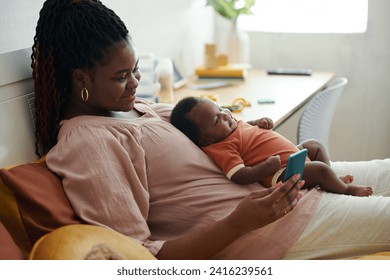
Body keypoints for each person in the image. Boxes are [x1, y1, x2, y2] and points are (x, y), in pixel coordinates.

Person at [31, 0, 390, 260]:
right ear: (80, 78)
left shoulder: (140, 108)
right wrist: (236, 223)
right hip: (269, 228)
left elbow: (222, 134)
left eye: (136, 70)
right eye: (121, 77)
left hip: (284, 190)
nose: (135, 83)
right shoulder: (88, 141)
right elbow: (140, 259)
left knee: (385, 169)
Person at [170, 96, 373, 197]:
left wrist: (260, 121)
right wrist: (266, 168)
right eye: (217, 119)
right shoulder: (221, 147)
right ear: (205, 140)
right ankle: (346, 190)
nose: (225, 115)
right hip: (281, 172)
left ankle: (331, 179)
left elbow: (248, 129)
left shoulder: (229, 128)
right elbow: (239, 175)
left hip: (292, 154)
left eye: (221, 109)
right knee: (319, 169)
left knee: (314, 146)